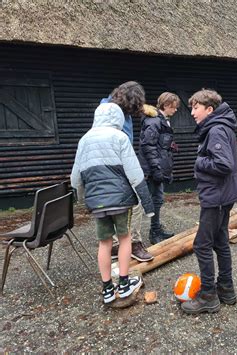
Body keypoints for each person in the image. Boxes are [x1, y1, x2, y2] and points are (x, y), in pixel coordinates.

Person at [70, 103, 155, 304]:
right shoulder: (120, 137)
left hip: (97, 203)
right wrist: (148, 205)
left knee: (104, 242)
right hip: (121, 200)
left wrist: (83, 199)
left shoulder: (84, 140)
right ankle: (124, 285)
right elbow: (135, 173)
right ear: (118, 119)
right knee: (124, 238)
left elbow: (75, 178)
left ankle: (107, 288)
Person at [181, 89, 237, 314]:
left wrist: (199, 163)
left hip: (216, 196)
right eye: (192, 108)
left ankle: (208, 295)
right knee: (220, 242)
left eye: (196, 108)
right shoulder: (221, 126)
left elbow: (224, 165)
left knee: (201, 245)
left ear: (209, 109)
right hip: (222, 195)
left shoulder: (216, 129)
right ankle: (226, 289)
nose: (192, 113)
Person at [101, 81, 154, 262]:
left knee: (123, 204)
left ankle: (119, 244)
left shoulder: (118, 109)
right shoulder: (110, 114)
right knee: (136, 202)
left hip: (122, 161)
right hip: (115, 165)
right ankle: (133, 243)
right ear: (130, 101)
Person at [138, 92, 180, 244]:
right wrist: (156, 169)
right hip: (152, 170)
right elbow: (148, 147)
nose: (175, 110)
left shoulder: (162, 121)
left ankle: (156, 229)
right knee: (151, 201)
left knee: (158, 199)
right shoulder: (154, 121)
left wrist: (170, 146)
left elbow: (159, 145)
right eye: (174, 107)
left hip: (158, 167)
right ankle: (153, 233)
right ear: (167, 105)